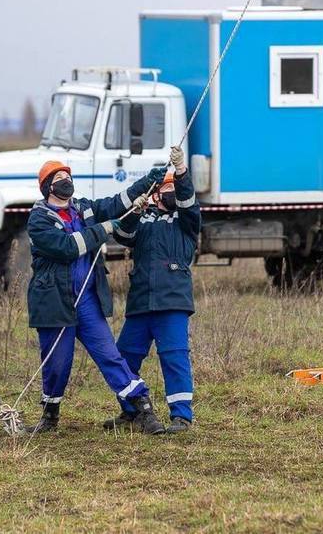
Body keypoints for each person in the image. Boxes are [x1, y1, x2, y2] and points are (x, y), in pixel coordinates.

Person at [25, 160, 167, 435]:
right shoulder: (39, 219)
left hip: (88, 300)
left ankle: (141, 409)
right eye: (60, 177)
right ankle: (50, 417)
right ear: (48, 187)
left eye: (68, 175)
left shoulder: (83, 207)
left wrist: (149, 182)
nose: (67, 180)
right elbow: (67, 247)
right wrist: (103, 230)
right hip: (55, 302)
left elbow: (116, 203)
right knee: (57, 362)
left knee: (110, 356)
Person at [105, 146, 201, 434]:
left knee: (174, 356)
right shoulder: (144, 219)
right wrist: (135, 209)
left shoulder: (186, 222)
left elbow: (188, 203)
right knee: (124, 358)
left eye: (175, 189)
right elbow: (123, 235)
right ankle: (131, 410)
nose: (172, 193)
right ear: (157, 194)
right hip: (141, 301)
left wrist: (181, 172)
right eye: (167, 188)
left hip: (172, 301)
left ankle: (181, 416)